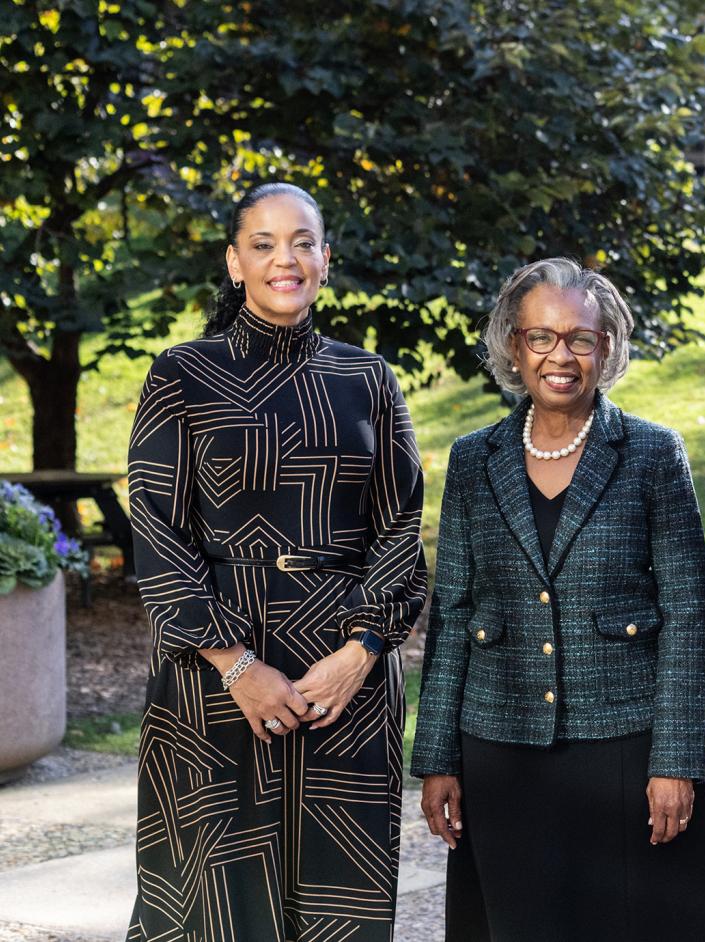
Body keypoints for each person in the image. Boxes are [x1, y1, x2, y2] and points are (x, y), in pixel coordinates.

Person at [125, 182, 428, 941]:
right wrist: (236, 666)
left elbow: (399, 529)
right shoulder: (181, 374)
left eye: (301, 243)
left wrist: (360, 655)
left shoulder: (367, 379)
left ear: (326, 260)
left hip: (343, 679)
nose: (283, 259)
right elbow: (158, 531)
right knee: (213, 903)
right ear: (235, 264)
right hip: (213, 676)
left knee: (338, 904)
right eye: (262, 245)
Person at [411, 258, 705, 941]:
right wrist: (436, 758)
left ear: (605, 347)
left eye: (580, 338)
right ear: (514, 345)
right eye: (541, 337)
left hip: (625, 748)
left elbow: (687, 614)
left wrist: (675, 761)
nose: (561, 356)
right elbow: (453, 613)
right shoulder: (473, 458)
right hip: (501, 751)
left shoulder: (652, 453)